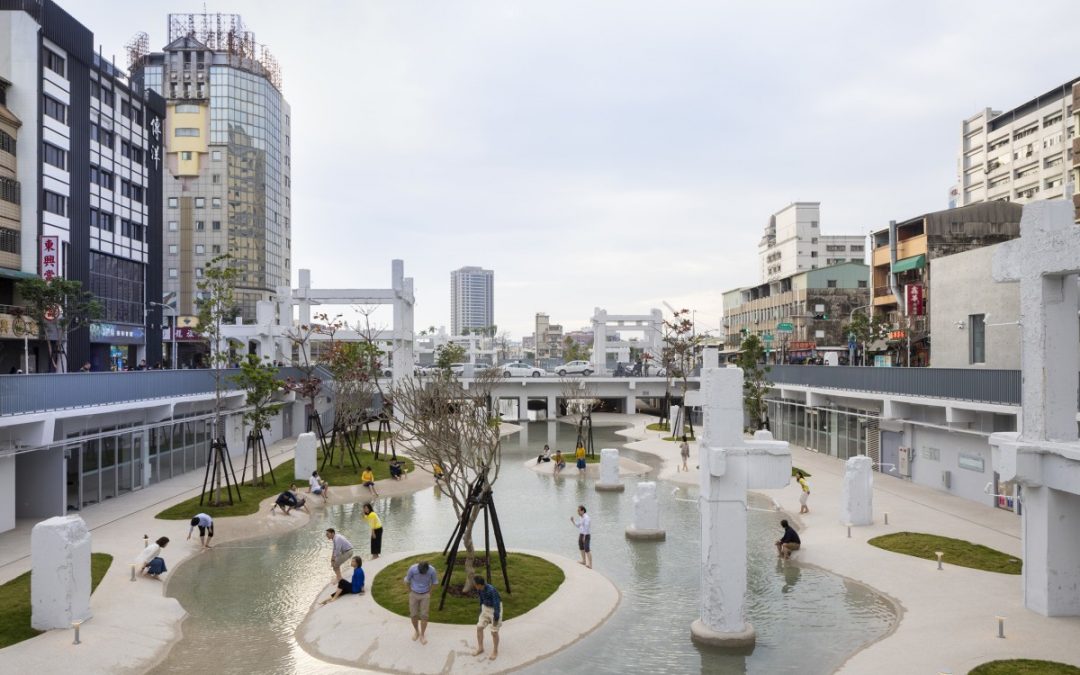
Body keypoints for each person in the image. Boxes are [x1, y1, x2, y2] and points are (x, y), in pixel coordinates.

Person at [404, 560, 438, 644]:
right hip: (413, 594)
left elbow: (435, 583)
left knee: (424, 616)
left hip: (425, 595)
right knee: (413, 615)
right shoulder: (412, 569)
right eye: (420, 572)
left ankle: (422, 635)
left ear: (427, 569)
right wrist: (410, 591)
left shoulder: (432, 570)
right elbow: (407, 580)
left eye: (424, 572)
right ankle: (416, 631)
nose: (422, 574)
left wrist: (429, 593)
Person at [472, 575, 502, 661]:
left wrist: (496, 618)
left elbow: (496, 604)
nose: (474, 585)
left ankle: (495, 651)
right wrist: (481, 610)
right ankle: (481, 648)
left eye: (475, 584)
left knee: (494, 632)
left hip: (495, 609)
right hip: (485, 607)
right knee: (479, 627)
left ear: (479, 584)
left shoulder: (491, 590)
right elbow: (481, 599)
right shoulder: (479, 589)